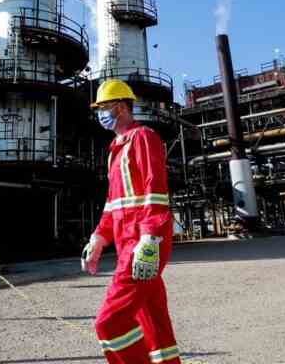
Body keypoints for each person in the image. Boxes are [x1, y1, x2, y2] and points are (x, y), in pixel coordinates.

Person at [81, 79, 181, 364]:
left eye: (104, 107)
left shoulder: (143, 137)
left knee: (109, 323)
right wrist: (98, 239)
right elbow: (113, 206)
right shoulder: (116, 149)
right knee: (154, 326)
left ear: (122, 107)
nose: (100, 114)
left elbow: (155, 191)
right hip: (128, 245)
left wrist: (150, 239)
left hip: (144, 243)